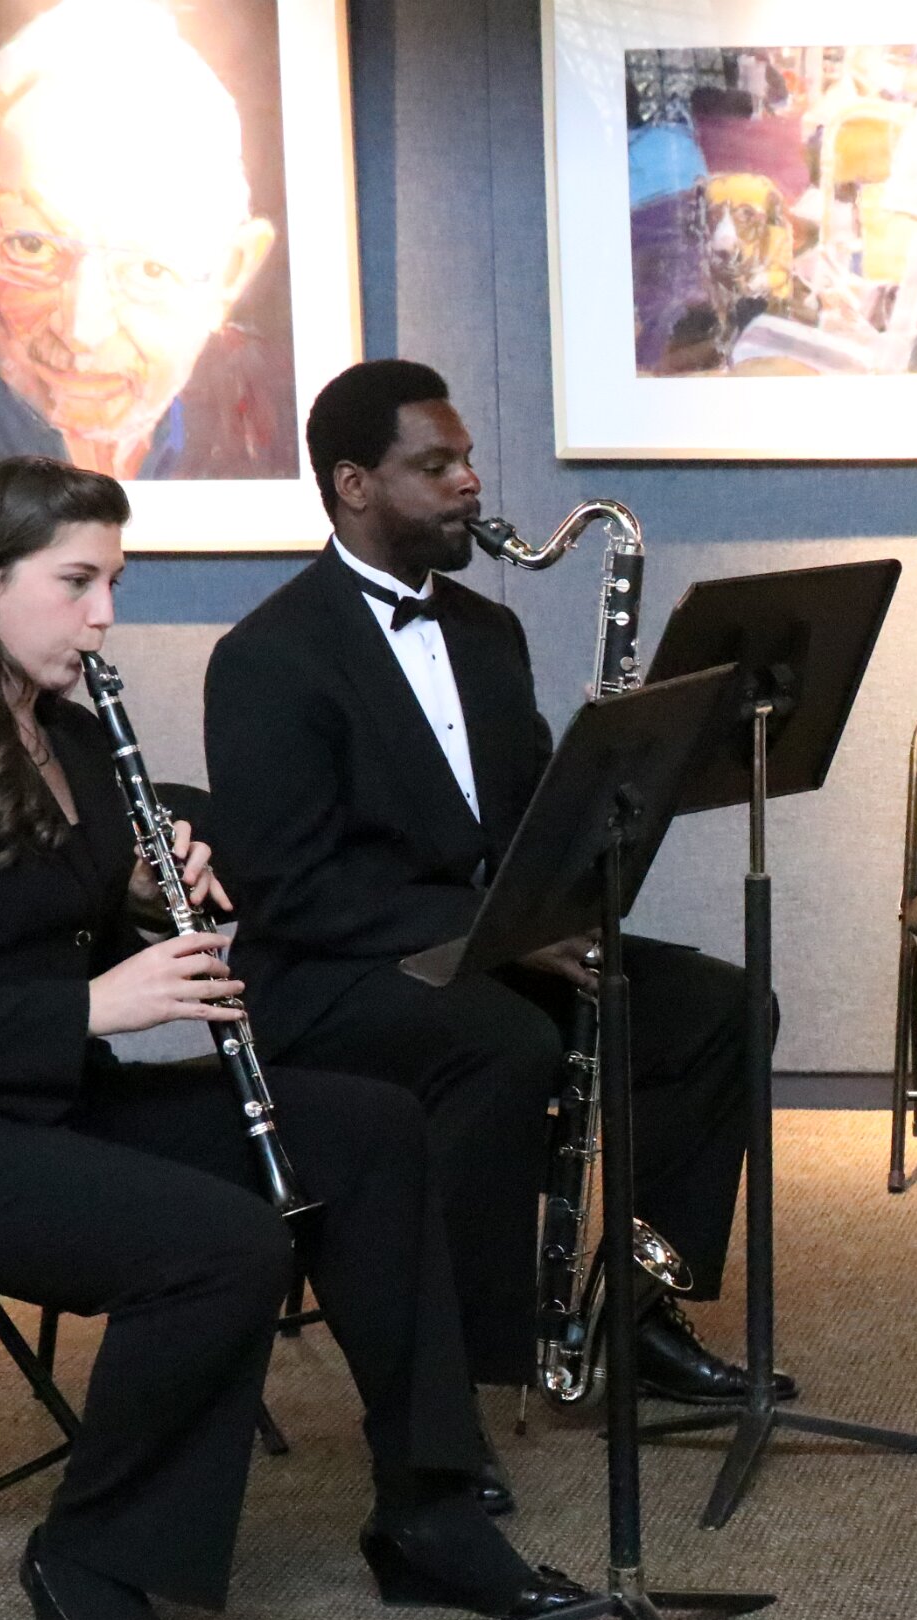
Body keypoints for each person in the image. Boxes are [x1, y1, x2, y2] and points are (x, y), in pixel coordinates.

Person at [0, 458, 586, 1620]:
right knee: (223, 1242)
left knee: (370, 1131)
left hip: (49, 1102)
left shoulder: (64, 731)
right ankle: (87, 1554)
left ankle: (429, 1511)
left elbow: (33, 922)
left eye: (113, 582)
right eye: (77, 583)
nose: (104, 615)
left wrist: (148, 897)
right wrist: (94, 1003)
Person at [202, 358, 789, 1417]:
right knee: (506, 1044)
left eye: (467, 459)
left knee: (720, 1006)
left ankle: (636, 1313)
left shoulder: (488, 631)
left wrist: (613, 793)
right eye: (436, 466)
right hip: (332, 975)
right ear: (354, 485)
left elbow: (519, 826)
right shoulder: (266, 657)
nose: (469, 481)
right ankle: (456, 1377)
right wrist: (503, 932)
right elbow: (290, 890)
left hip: (476, 946)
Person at [0, 0, 293, 481]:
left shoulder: (271, 416)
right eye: (32, 246)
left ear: (229, 276)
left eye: (150, 269)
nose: (84, 328)